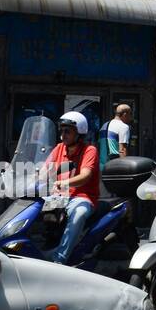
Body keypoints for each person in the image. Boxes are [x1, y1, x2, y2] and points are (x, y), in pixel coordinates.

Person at [45, 112, 100, 265]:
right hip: (59, 196)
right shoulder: (59, 148)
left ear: (79, 132)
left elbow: (85, 176)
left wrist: (64, 183)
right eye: (61, 131)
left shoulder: (89, 150)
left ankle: (60, 259)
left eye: (67, 131)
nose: (63, 135)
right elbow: (45, 170)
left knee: (78, 214)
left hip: (83, 197)